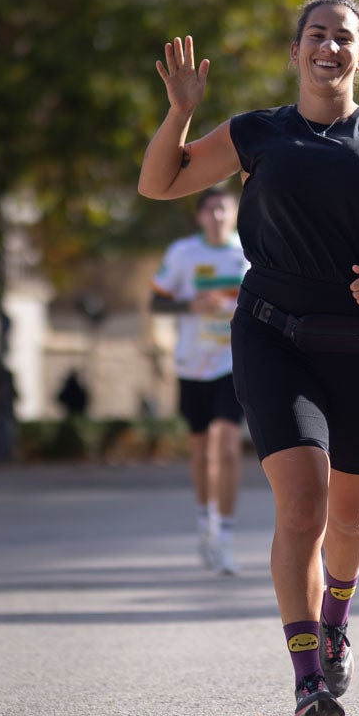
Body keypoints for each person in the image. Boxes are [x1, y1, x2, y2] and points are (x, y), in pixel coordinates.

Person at [138, 0, 359, 716]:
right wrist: (180, 112)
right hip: (274, 337)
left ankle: (336, 618)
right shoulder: (257, 132)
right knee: (304, 505)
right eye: (316, 35)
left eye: (343, 38)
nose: (328, 48)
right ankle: (308, 676)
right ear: (295, 51)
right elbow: (160, 181)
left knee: (350, 514)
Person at [150, 186, 250, 577]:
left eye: (224, 209)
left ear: (235, 213)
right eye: (211, 210)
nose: (218, 216)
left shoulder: (248, 252)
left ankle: (225, 537)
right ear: (199, 217)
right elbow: (156, 301)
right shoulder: (183, 254)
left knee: (227, 446)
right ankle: (205, 522)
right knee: (201, 451)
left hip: (232, 362)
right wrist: (191, 305)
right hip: (192, 363)